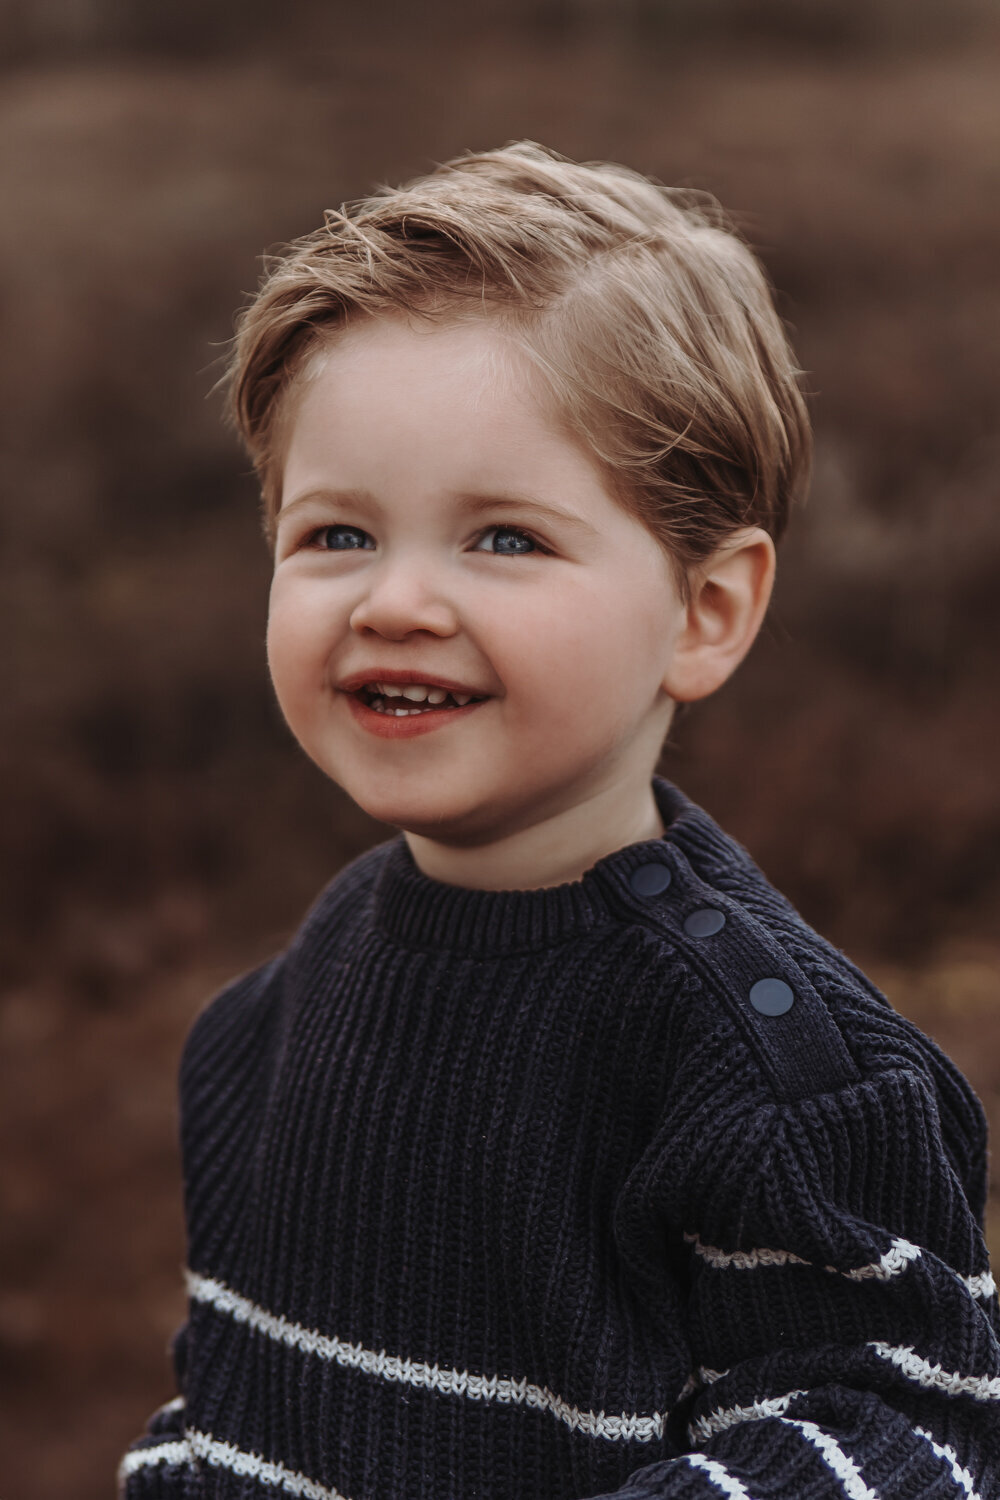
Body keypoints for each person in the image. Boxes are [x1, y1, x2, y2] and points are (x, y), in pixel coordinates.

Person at [118, 142, 998, 1500]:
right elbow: (240, 1418)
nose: (394, 601)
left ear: (706, 613)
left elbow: (898, 1437)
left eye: (505, 539)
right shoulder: (271, 1023)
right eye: (336, 535)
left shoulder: (774, 1073)